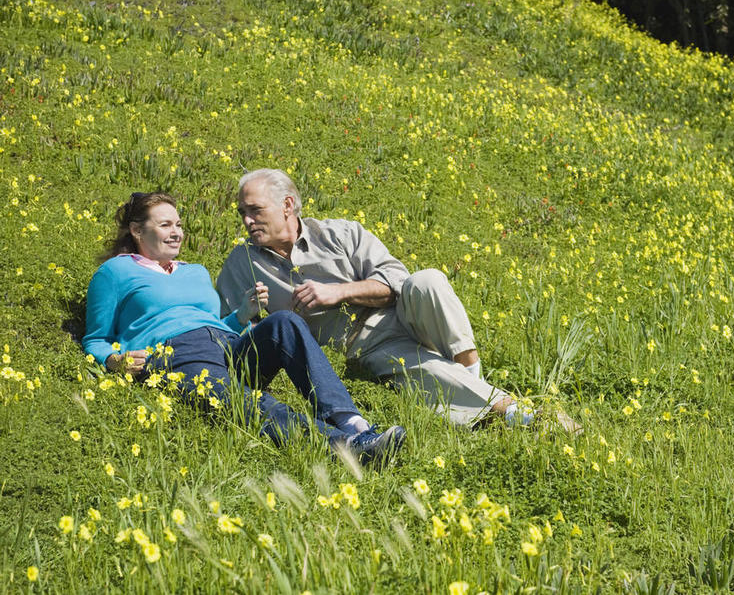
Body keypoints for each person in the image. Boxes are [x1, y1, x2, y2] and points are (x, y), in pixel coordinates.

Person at [217, 169, 581, 433]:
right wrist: (248, 315)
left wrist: (338, 291)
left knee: (429, 281)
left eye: (255, 211)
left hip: (400, 314)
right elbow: (231, 333)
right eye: (242, 214)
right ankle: (524, 415)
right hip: (365, 345)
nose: (247, 221)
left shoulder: (339, 233)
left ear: (287, 205)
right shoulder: (242, 263)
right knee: (428, 370)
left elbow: (396, 280)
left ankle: (472, 376)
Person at [82, 191, 406, 467]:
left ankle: (352, 423)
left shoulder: (193, 271)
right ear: (137, 230)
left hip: (227, 344)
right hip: (178, 355)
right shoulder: (115, 272)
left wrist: (241, 315)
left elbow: (212, 324)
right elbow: (96, 338)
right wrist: (114, 360)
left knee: (284, 321)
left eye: (179, 224)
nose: (177, 232)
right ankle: (345, 449)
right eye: (165, 225)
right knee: (250, 402)